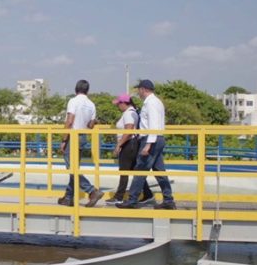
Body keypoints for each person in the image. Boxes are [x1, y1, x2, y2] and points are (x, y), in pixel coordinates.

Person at [117, 79, 175, 210]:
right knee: (159, 171)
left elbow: (153, 124)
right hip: (156, 138)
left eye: (139, 90)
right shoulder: (155, 102)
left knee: (140, 169)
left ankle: (132, 200)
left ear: (143, 89)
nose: (138, 93)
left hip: (151, 138)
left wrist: (148, 144)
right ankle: (168, 199)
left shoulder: (151, 103)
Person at [58, 79, 104, 207]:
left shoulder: (73, 101)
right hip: (83, 137)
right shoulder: (91, 104)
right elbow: (90, 125)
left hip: (73, 136)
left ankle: (92, 191)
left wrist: (64, 139)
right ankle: (68, 197)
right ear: (87, 90)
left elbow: (70, 121)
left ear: (76, 89)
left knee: (72, 169)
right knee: (75, 168)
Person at [106, 94, 150, 204]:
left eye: (118, 104)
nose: (118, 106)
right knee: (135, 170)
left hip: (128, 144)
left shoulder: (128, 114)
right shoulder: (132, 112)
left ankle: (119, 197)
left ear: (124, 103)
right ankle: (148, 193)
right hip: (132, 144)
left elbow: (129, 130)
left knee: (124, 171)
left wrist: (119, 145)